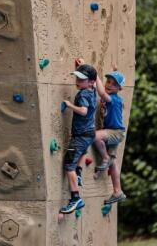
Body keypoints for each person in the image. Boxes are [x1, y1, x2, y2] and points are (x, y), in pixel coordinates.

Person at [59, 64, 98, 214]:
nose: (78, 81)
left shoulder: (82, 94)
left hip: (80, 136)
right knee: (81, 153)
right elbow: (96, 79)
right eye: (77, 78)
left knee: (68, 164)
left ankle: (75, 198)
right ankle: (79, 173)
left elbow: (83, 111)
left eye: (82, 79)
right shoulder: (92, 90)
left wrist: (69, 105)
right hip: (89, 133)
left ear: (91, 82)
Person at [93, 68, 127, 205]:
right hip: (113, 131)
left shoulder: (114, 99)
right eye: (108, 81)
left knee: (95, 136)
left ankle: (105, 158)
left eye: (113, 84)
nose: (108, 85)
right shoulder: (109, 97)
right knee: (113, 163)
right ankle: (118, 191)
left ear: (119, 88)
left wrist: (93, 73)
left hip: (116, 132)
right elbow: (96, 87)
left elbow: (100, 92)